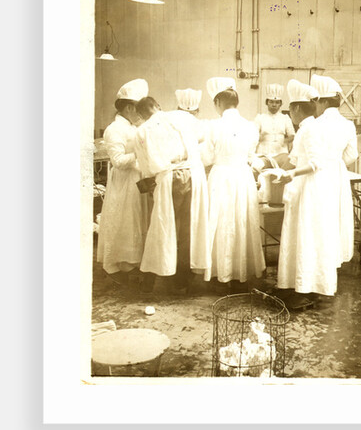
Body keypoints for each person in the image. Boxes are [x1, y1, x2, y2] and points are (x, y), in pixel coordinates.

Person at [275, 79, 344, 310]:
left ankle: (307, 290)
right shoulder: (307, 128)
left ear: (295, 109)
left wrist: (291, 174)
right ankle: (299, 286)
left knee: (308, 238)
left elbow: (315, 163)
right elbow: (293, 159)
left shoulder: (310, 129)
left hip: (310, 190)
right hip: (304, 188)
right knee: (303, 237)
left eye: (289, 111)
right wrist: (266, 163)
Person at [134, 96, 209, 294]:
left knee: (162, 228)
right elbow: (202, 136)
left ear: (140, 114)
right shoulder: (180, 116)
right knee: (188, 227)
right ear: (158, 105)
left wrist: (152, 182)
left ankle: (153, 277)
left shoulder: (142, 130)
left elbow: (145, 167)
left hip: (169, 177)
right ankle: (182, 279)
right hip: (193, 174)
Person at [201, 78, 265, 288]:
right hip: (242, 176)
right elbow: (250, 155)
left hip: (221, 176)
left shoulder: (213, 126)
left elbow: (208, 158)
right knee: (241, 220)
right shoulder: (250, 126)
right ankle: (241, 272)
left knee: (221, 222)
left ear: (218, 102)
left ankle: (221, 273)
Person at [96, 79, 151, 286]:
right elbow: (118, 161)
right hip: (123, 183)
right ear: (129, 108)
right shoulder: (114, 129)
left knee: (135, 223)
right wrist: (139, 153)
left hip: (136, 181)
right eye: (138, 109)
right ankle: (116, 266)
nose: (140, 115)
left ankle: (132, 263)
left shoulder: (132, 126)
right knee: (122, 223)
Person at [311, 74, 359, 267]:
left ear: (321, 102)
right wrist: (338, 163)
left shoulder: (314, 124)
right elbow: (352, 155)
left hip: (317, 173)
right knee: (335, 215)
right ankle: (333, 260)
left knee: (318, 215)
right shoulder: (348, 124)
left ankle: (318, 261)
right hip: (337, 174)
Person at [254, 83, 295, 166]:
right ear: (267, 103)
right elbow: (253, 135)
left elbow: (292, 135)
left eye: (276, 102)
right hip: (263, 152)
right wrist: (259, 138)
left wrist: (283, 141)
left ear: (280, 104)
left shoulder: (285, 118)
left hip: (281, 153)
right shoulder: (260, 118)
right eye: (271, 102)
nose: (274, 105)